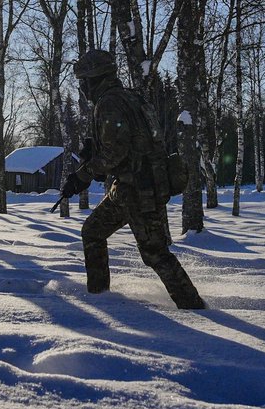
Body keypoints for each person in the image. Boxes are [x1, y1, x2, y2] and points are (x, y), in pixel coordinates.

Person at [60, 49, 205, 309]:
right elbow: (132, 139)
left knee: (155, 253)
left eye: (83, 82)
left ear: (94, 79)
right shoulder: (129, 97)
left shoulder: (109, 103)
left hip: (139, 189)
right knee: (93, 232)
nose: (82, 88)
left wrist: (84, 174)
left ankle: (194, 307)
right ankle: (100, 297)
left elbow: (115, 152)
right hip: (130, 187)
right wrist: (94, 148)